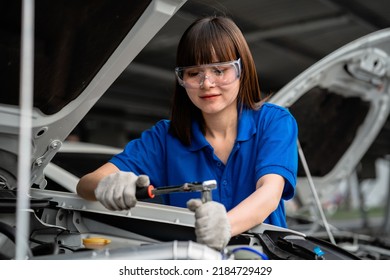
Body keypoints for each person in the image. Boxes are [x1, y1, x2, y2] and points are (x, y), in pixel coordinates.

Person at [76, 15, 298, 251]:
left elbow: (269, 192)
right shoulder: (164, 138)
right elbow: (85, 184)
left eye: (220, 70)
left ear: (241, 70)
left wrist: (225, 226)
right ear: (182, 79)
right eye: (194, 73)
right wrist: (107, 185)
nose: (207, 83)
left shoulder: (274, 122)